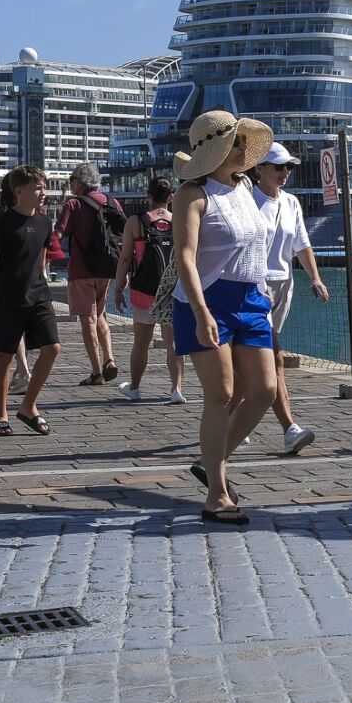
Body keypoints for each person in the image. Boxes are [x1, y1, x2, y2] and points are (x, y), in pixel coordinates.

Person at [170, 111, 277, 524]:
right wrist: (200, 311)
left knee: (265, 389)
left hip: (250, 297)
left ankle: (211, 462)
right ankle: (217, 492)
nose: (243, 149)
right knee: (222, 394)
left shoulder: (245, 186)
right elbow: (185, 256)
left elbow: (253, 247)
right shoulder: (192, 195)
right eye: (235, 142)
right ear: (216, 150)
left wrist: (263, 294)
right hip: (206, 299)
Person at [0, 164, 61, 436]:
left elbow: (42, 261)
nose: (43, 192)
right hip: (8, 298)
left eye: (44, 187)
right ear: (19, 190)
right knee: (5, 357)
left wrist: (43, 282)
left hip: (39, 295)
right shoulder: (3, 222)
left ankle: (28, 406)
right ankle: (1, 415)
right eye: (37, 187)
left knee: (52, 347)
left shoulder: (45, 222)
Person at [249, 142, 326, 451]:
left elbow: (302, 244)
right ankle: (289, 429)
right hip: (256, 288)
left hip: (284, 285)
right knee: (274, 357)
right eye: (279, 167)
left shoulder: (291, 202)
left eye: (289, 167)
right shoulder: (248, 200)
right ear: (259, 169)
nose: (285, 172)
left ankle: (232, 422)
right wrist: (256, 286)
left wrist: (316, 278)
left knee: (254, 363)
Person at [111, 177, 186, 403]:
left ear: (148, 197)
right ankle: (176, 390)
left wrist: (118, 286)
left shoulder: (136, 222)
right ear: (171, 198)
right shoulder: (179, 221)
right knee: (172, 343)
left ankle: (134, 387)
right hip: (172, 291)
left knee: (141, 342)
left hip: (143, 291)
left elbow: (125, 258)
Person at [55, 162, 122, 386]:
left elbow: (58, 233)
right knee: (101, 315)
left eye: (71, 179)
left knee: (88, 320)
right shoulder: (113, 202)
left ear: (80, 182)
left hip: (82, 270)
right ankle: (110, 359)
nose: (70, 184)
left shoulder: (73, 204)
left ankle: (96, 372)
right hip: (108, 268)